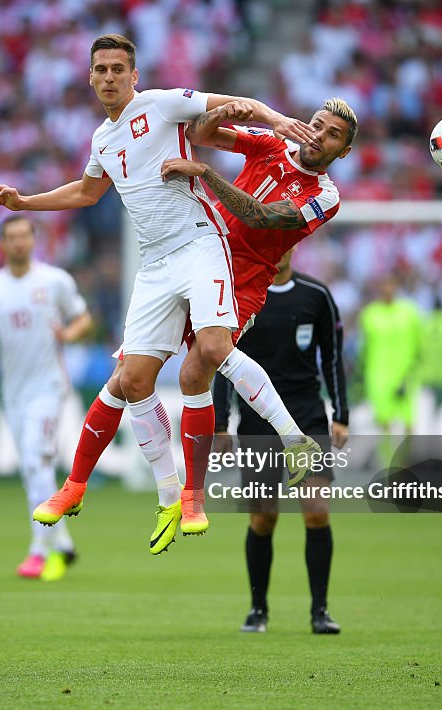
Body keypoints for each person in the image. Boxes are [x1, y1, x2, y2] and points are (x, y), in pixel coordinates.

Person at [0, 34, 322, 556]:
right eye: (102, 69)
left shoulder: (161, 104)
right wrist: (24, 202)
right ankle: (166, 495)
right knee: (134, 379)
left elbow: (235, 106)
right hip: (155, 264)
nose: (111, 76)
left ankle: (293, 442)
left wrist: (277, 121)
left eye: (119, 68)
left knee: (211, 350)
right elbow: (86, 190)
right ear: (91, 78)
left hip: (199, 243)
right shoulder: (102, 139)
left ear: (134, 75)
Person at [30, 90, 358, 555]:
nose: (319, 136)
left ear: (342, 152)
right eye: (318, 124)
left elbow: (263, 218)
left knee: (200, 362)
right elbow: (202, 132)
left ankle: (199, 493)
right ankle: (88, 486)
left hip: (244, 279)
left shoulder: (325, 196)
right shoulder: (271, 143)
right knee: (128, 379)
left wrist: (205, 174)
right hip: (199, 249)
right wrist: (226, 111)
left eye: (333, 136)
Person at [212, 247, 349, 635]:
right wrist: (221, 422)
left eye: (287, 238)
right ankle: (258, 609)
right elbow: (222, 360)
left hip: (306, 415)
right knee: (263, 517)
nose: (282, 245)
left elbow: (333, 358)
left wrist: (341, 415)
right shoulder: (241, 296)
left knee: (316, 509)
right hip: (256, 420)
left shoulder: (316, 296)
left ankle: (320, 611)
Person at [0, 216, 91, 582]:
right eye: (12, 237)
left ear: (34, 240)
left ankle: (38, 551)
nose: (19, 243)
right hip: (13, 395)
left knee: (36, 461)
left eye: (24, 236)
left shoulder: (54, 281)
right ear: (2, 244)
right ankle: (63, 546)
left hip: (49, 388)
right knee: (32, 470)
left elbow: (83, 319)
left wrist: (68, 333)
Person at [358, 275, 422, 439]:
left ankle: (408, 459)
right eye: (383, 285)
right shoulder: (370, 314)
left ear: (397, 286)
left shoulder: (410, 312)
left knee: (408, 421)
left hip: (405, 374)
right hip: (378, 375)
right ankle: (388, 460)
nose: (387, 289)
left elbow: (419, 345)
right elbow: (363, 348)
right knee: (384, 421)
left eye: (390, 284)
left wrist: (414, 370)